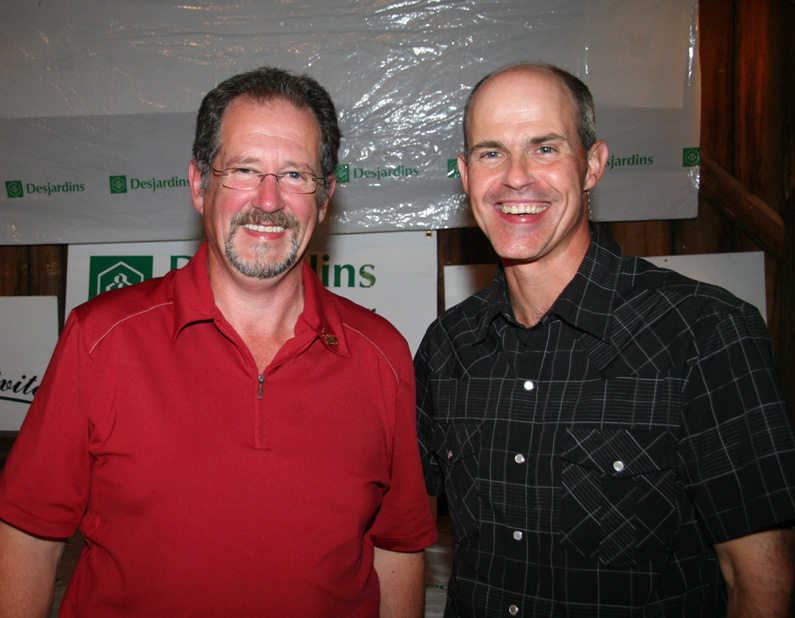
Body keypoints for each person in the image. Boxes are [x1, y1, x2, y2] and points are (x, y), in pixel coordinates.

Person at [0, 67, 436, 618]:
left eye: (296, 174)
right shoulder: (101, 338)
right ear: (200, 183)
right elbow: (29, 536)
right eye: (245, 170)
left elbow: (397, 548)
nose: (269, 199)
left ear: (324, 197)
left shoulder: (381, 355)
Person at [415, 62, 795, 617]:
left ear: (592, 165)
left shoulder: (704, 332)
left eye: (545, 148)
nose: (516, 177)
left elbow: (762, 582)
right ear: (466, 174)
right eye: (490, 152)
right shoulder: (448, 345)